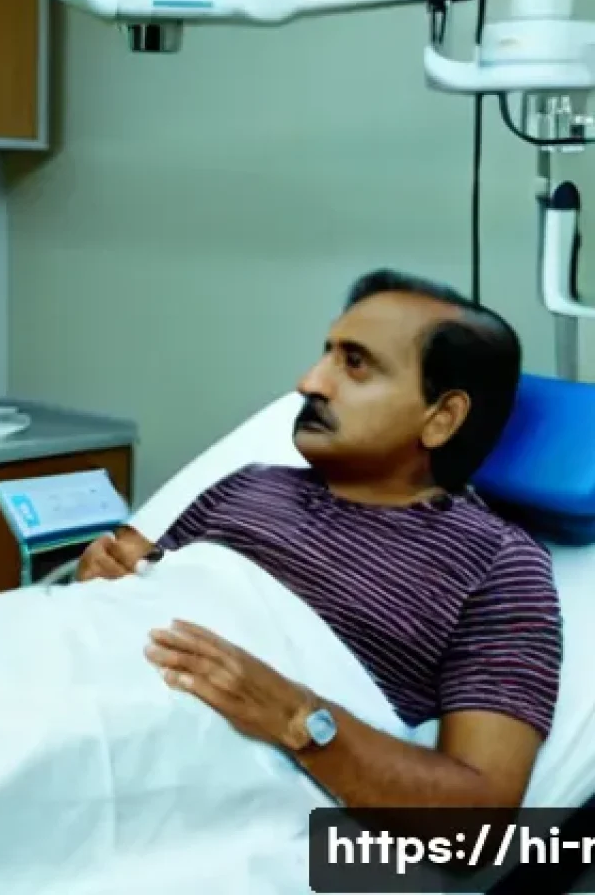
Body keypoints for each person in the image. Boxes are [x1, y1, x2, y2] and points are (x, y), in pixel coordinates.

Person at [77, 269, 563, 810]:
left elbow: (480, 811)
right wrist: (103, 581)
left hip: (165, 747)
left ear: (441, 418)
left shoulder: (499, 563)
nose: (309, 382)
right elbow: (138, 605)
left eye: (354, 364)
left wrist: (296, 719)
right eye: (326, 355)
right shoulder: (249, 482)